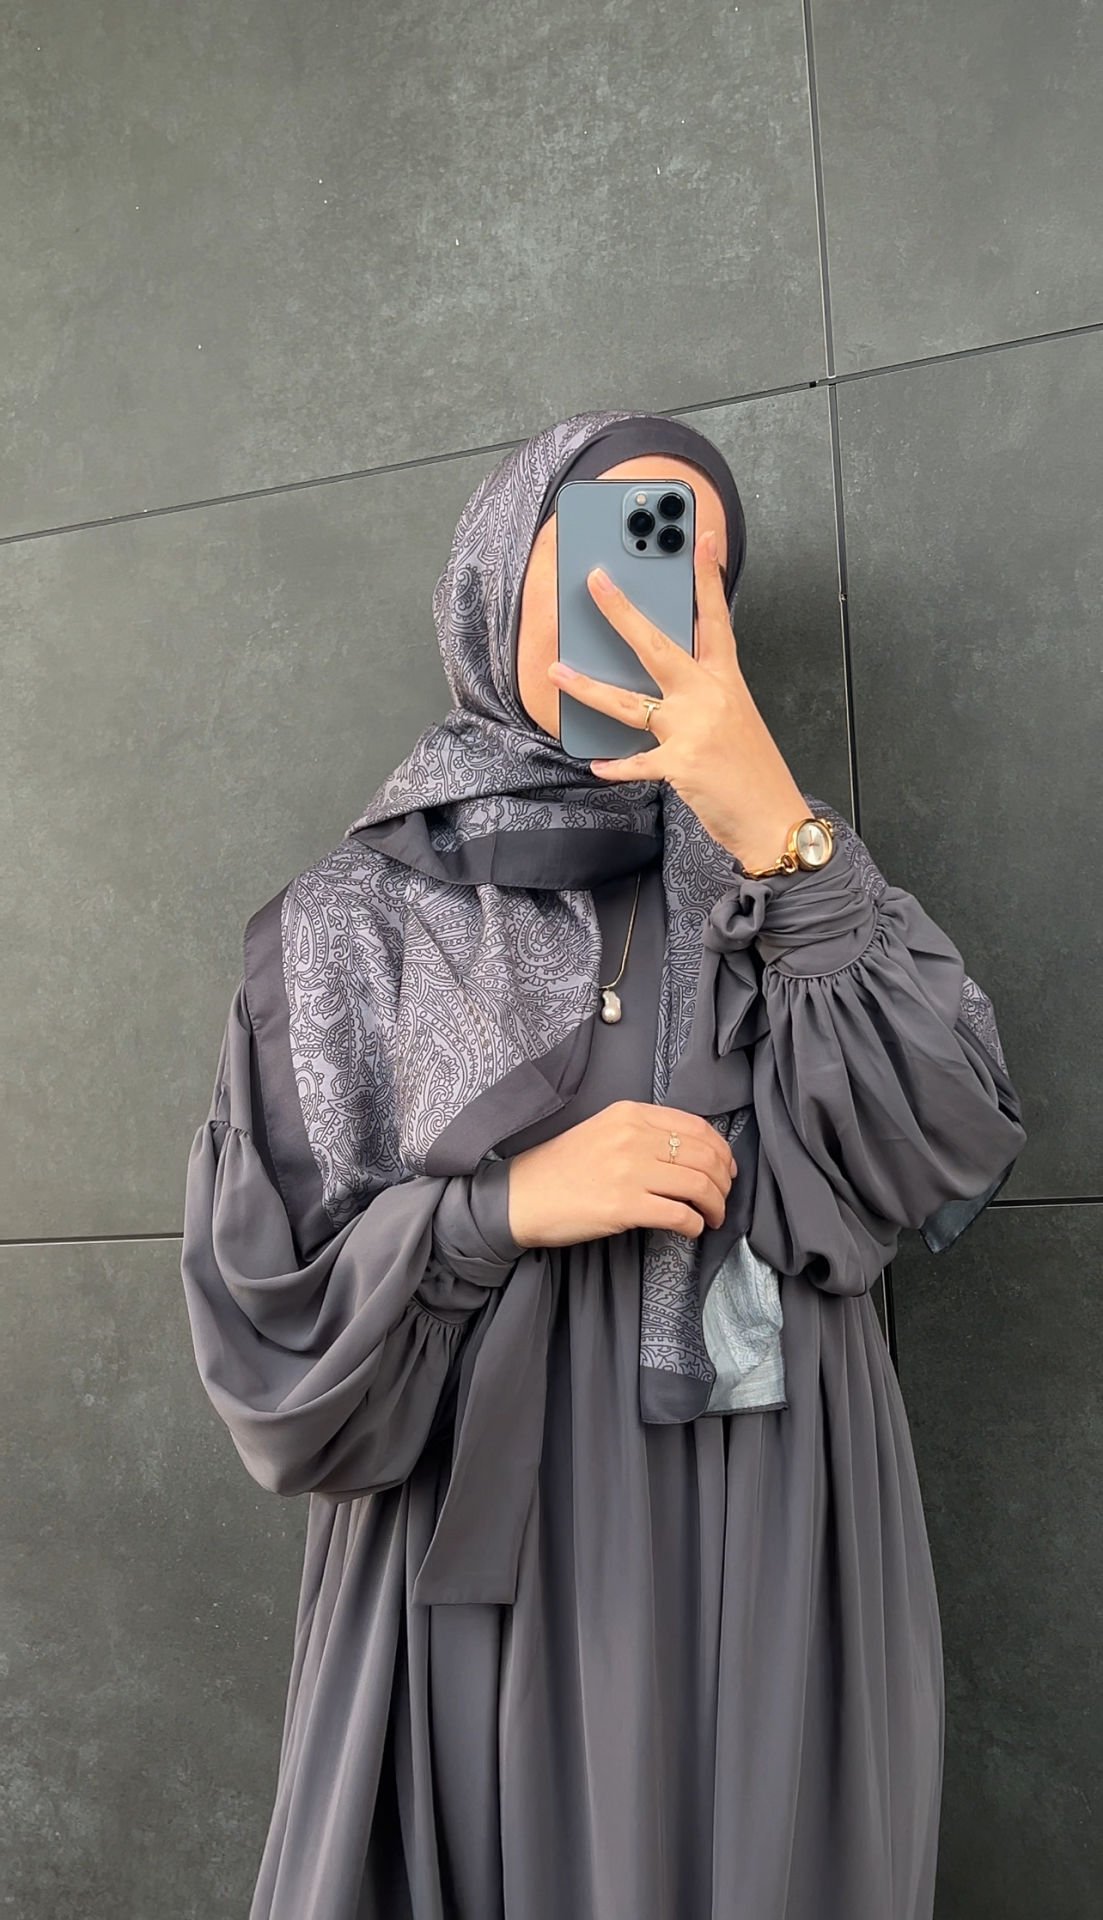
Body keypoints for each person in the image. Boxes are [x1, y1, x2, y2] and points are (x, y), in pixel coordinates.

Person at [180, 408, 1027, 1920]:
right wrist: (495, 1212)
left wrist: (774, 823)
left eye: (693, 562)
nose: (650, 593)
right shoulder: (353, 922)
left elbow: (944, 1133)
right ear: (498, 574)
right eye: (611, 543)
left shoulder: (792, 874)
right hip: (483, 1552)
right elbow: (272, 1338)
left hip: (774, 1527)